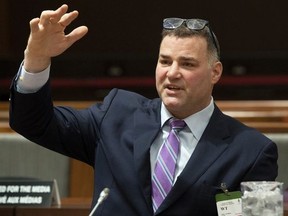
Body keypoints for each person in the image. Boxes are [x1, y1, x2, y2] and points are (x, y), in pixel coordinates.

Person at [9, 4, 278, 216]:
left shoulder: (251, 151)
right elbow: (33, 122)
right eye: (165, 61)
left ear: (215, 72)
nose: (172, 73)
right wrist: (36, 60)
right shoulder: (115, 116)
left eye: (187, 64)